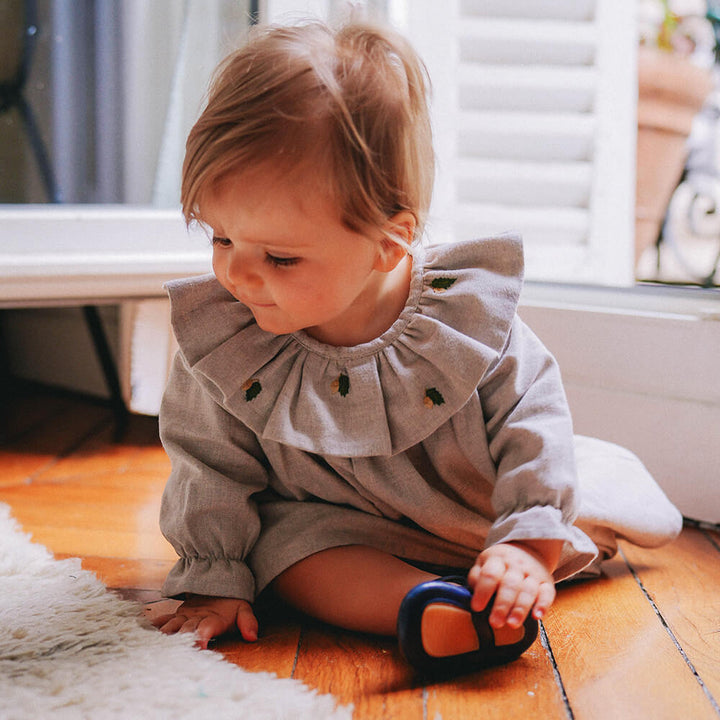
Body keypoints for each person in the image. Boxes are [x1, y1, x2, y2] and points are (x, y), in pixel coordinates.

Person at [151, 19, 682, 675]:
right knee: (283, 549)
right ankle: (432, 609)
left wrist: (526, 546)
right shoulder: (230, 340)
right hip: (337, 524)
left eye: (280, 257)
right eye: (221, 238)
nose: (237, 274)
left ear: (389, 243)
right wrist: (213, 575)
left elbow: (531, 419)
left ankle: (506, 578)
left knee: (562, 505)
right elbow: (208, 464)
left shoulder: (463, 324)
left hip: (477, 512)